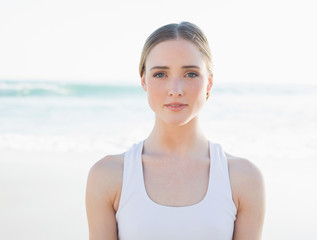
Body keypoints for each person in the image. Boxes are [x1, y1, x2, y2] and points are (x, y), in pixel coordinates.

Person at [86, 21, 265, 240]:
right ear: (144, 81)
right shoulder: (108, 176)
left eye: (190, 74)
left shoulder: (243, 178)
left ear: (209, 82)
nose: (175, 90)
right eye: (160, 74)